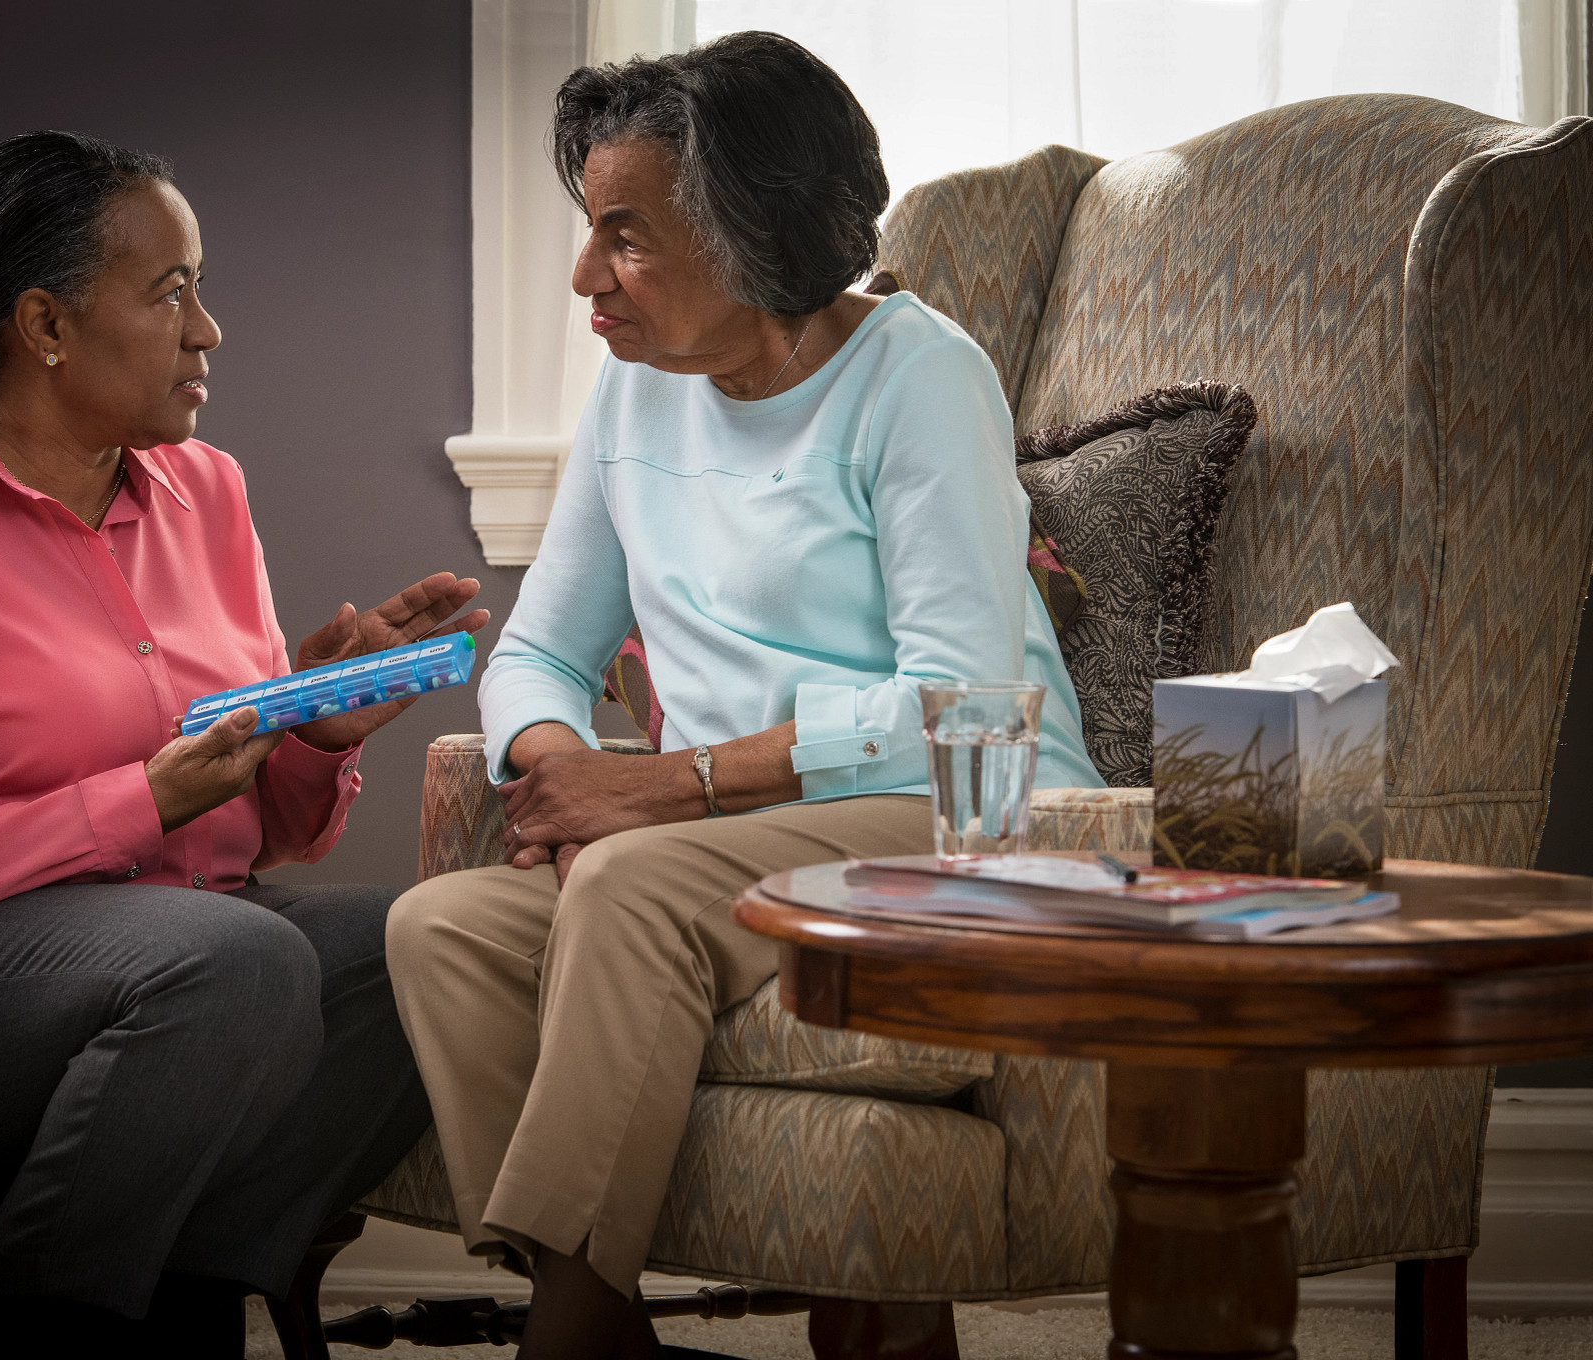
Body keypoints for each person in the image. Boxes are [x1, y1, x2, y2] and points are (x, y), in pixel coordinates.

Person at [384, 32, 1102, 1359]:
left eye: (628, 237)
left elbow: (965, 701)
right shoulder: (632, 397)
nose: (586, 277)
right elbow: (536, 655)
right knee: (445, 931)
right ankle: (585, 1302)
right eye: (588, 232)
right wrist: (556, 770)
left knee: (630, 886)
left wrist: (658, 789)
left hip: (967, 816)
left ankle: (575, 1329)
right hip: (729, 845)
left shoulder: (917, 375)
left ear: (757, 231)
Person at [0, 131, 484, 1355]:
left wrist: (310, 728)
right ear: (45, 325)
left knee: (427, 940)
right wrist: (134, 802)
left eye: (200, 286)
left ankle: (176, 1304)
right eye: (170, 289)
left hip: (164, 947)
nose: (207, 328)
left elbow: (253, 834)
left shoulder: (205, 490)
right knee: (231, 961)